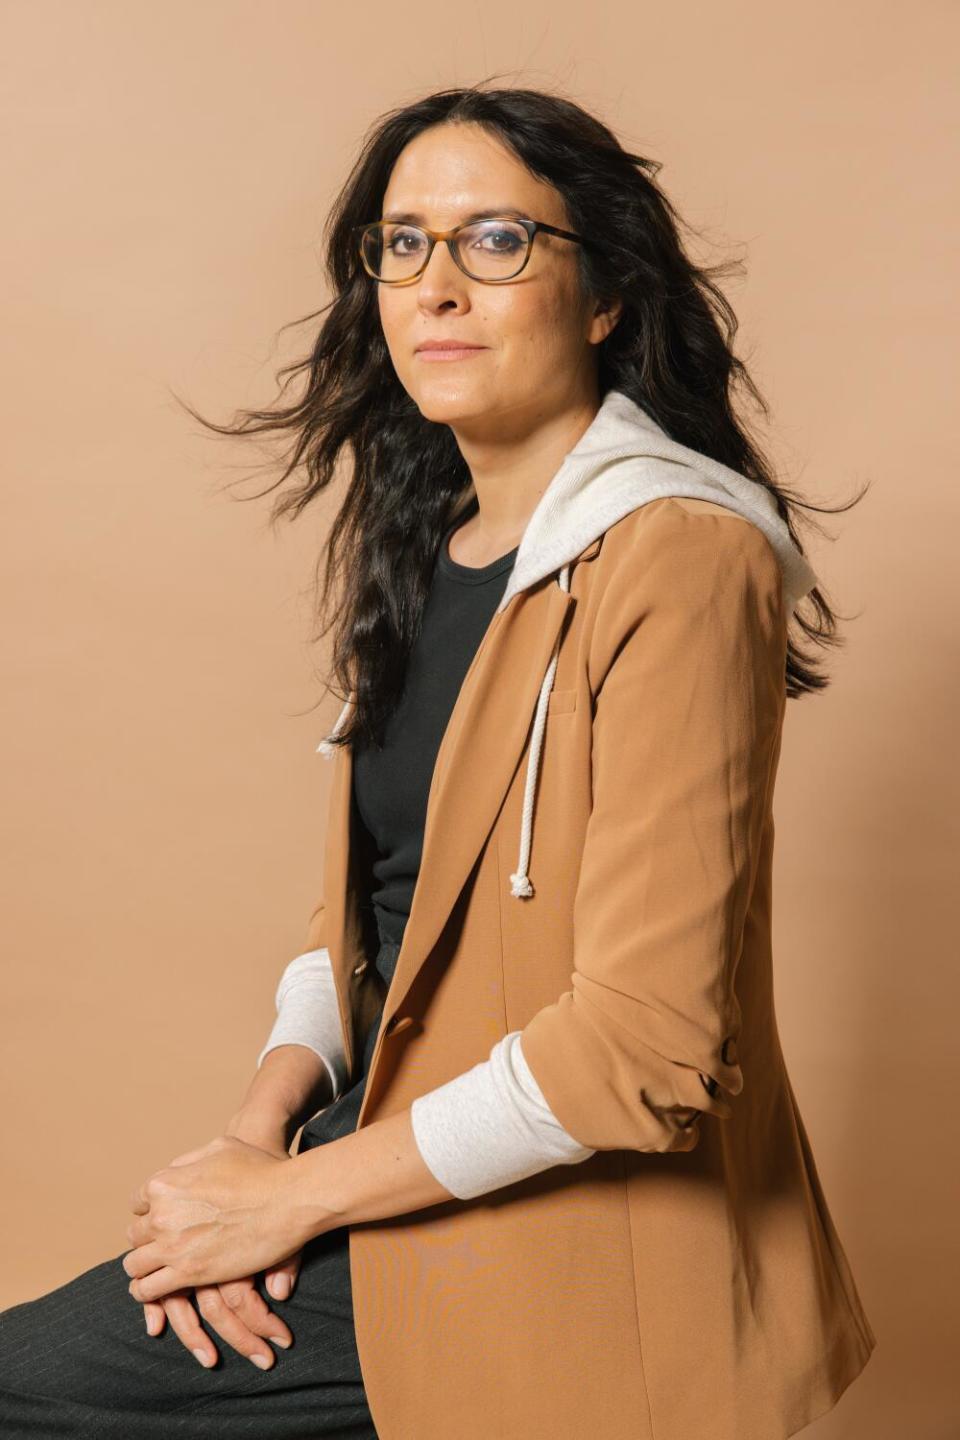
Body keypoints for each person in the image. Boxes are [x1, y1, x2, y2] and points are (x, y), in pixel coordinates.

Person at [0, 82, 877, 1438]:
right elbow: (372, 920)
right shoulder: (431, 553)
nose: (438, 288)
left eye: (497, 241)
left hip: (561, 1231)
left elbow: (641, 1050)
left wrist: (289, 1201)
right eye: (403, 244)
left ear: (603, 298)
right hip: (389, 1171)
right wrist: (254, 1138)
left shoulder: (680, 558)